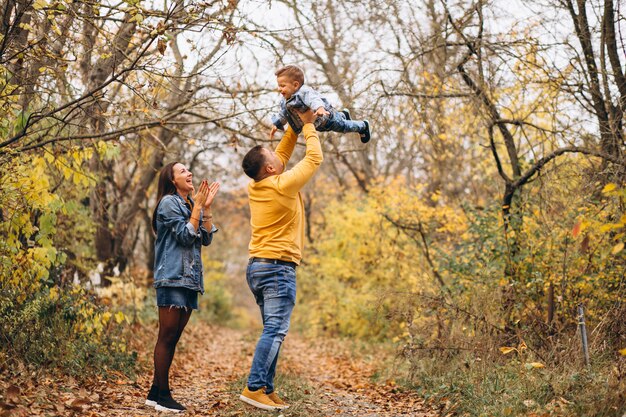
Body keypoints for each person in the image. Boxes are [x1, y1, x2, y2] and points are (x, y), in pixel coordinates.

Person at [239, 109, 323, 410]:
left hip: (258, 266)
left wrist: (293, 128)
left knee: (272, 329)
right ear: (271, 169)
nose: (277, 155)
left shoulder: (258, 184)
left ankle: (267, 388)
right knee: (275, 330)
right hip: (276, 267)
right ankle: (253, 387)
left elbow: (281, 154)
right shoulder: (281, 184)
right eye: (271, 156)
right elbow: (314, 160)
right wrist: (310, 127)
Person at [146, 162, 220, 413]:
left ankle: (155, 392)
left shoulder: (190, 205)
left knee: (173, 338)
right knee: (166, 336)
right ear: (172, 180)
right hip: (171, 276)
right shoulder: (168, 203)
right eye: (182, 172)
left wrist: (205, 208)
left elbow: (207, 238)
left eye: (189, 170)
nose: (189, 173)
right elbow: (186, 235)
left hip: (190, 280)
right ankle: (163, 396)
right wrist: (198, 207)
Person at [270, 64, 371, 143]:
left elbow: (313, 99)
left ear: (295, 85)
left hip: (327, 117)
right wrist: (277, 124)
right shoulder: (284, 100)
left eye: (282, 86)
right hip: (319, 124)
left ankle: (363, 126)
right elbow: (283, 114)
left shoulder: (303, 92)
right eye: (279, 86)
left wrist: (319, 108)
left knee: (343, 126)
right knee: (338, 123)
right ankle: (343, 115)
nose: (279, 89)